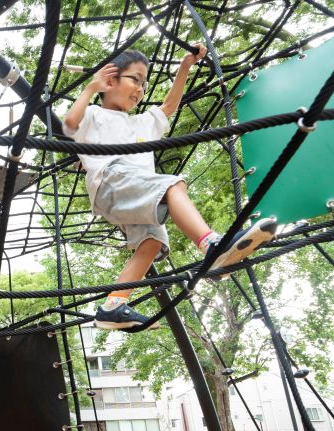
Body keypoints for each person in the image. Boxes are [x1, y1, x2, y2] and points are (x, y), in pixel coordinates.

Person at [63, 47, 278, 330]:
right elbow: (69, 123)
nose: (140, 89)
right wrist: (91, 88)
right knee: (173, 185)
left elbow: (168, 107)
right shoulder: (94, 115)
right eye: (135, 79)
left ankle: (112, 306)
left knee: (151, 243)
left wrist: (185, 67)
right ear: (111, 80)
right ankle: (211, 245)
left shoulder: (140, 123)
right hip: (112, 180)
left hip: (133, 192)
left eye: (144, 83)